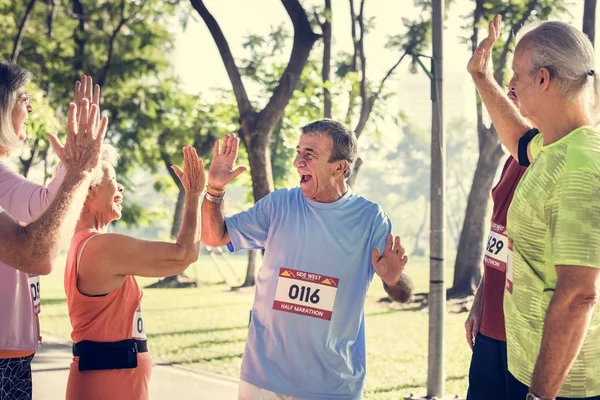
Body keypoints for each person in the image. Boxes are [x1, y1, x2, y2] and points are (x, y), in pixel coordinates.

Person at [201, 119, 413, 400]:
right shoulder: (279, 205)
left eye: (309, 155)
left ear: (340, 167)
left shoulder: (370, 218)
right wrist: (215, 190)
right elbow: (214, 237)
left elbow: (403, 294)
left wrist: (393, 278)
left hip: (332, 385)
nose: (297, 162)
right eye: (298, 152)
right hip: (263, 378)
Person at [472, 15, 600, 400]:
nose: (510, 84)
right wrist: (482, 77)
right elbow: (518, 140)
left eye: (516, 74)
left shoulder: (582, 165)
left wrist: (540, 395)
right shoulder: (553, 146)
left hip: (562, 386)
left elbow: (580, 293)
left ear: (543, 78)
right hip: (522, 365)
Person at [64, 145, 204, 400]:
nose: (121, 187)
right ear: (90, 191)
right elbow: (183, 255)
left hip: (113, 381)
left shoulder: (88, 243)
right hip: (106, 384)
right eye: (113, 180)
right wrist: (194, 195)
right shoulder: (99, 247)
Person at [0, 62, 106, 400]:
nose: (30, 107)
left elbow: (42, 207)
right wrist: (78, 170)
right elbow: (37, 253)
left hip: (12, 356)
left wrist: (74, 162)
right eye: (23, 98)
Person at [464, 16, 540, 400]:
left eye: (516, 85)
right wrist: (480, 300)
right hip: (492, 329)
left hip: (526, 340)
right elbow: (499, 242)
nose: (508, 93)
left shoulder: (549, 156)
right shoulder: (513, 160)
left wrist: (481, 76)